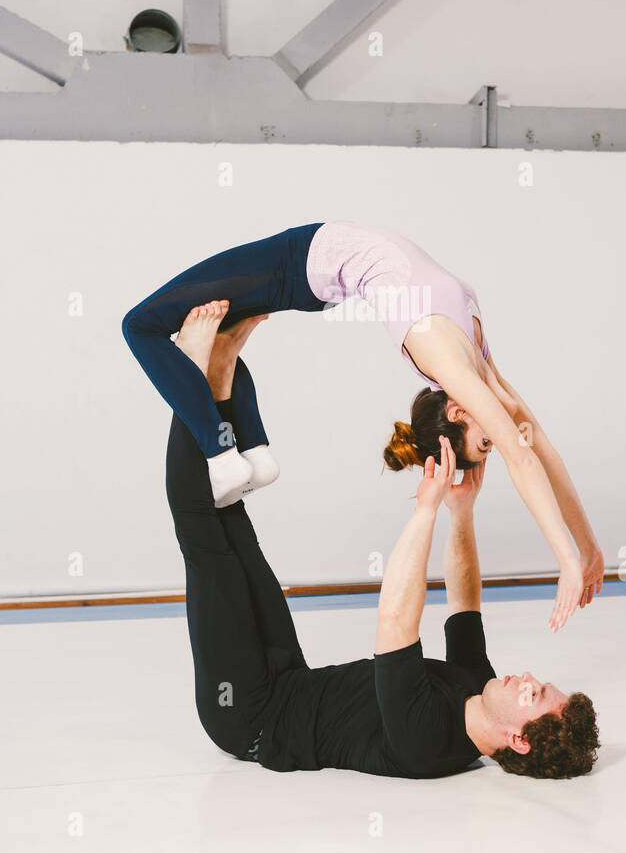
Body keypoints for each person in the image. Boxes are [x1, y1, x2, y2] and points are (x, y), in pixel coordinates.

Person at [166, 306, 600, 780]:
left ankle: (189, 368)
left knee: (204, 539)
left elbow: (395, 618)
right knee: (231, 512)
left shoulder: (427, 742)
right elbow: (463, 602)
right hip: (292, 679)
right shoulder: (478, 688)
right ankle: (220, 372)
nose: (530, 680)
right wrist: (461, 513)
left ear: (518, 739)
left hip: (250, 715)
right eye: (542, 685)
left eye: (533, 696)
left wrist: (426, 509)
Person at [122, 219, 604, 631]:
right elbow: (535, 446)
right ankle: (255, 453)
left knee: (140, 325)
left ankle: (222, 459)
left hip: (298, 260)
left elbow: (522, 455)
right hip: (308, 266)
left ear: (456, 414)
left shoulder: (449, 363)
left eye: (486, 441)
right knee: (223, 341)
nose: (498, 435)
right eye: (487, 441)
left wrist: (566, 560)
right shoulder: (479, 369)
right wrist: (584, 550)